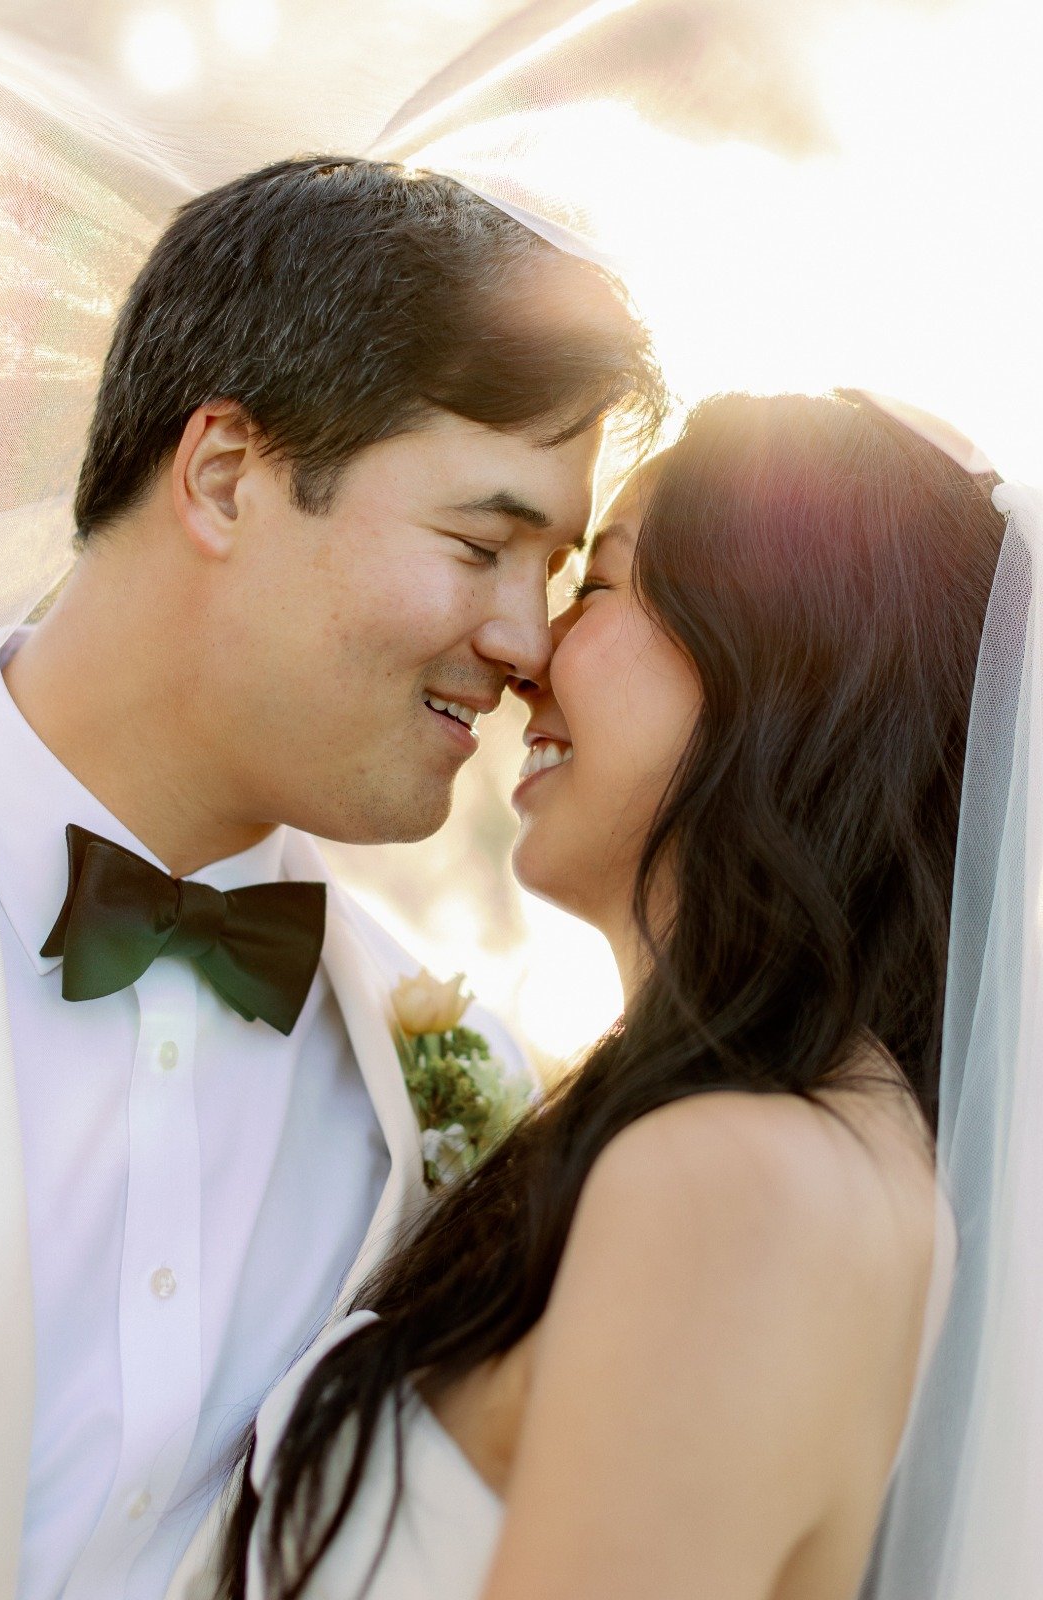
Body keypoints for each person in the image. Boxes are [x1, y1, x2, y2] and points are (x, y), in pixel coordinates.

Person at [0, 155, 664, 1600]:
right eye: (482, 545)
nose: (529, 642)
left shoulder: (438, 1081)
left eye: (555, 570)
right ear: (225, 477)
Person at [221, 389, 1006, 1600]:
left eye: (596, 587)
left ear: (784, 664)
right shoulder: (768, 1131)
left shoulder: (746, 1180)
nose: (528, 654)